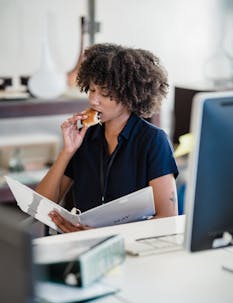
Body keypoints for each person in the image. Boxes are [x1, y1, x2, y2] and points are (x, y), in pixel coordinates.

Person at [36, 43, 179, 233]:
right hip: (82, 246)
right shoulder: (85, 136)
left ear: (129, 95)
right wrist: (67, 151)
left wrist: (104, 234)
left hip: (131, 249)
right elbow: (41, 205)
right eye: (92, 90)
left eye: (105, 93)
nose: (94, 100)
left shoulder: (153, 140)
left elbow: (168, 218)